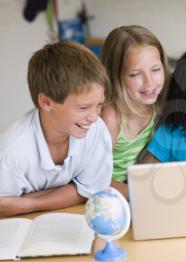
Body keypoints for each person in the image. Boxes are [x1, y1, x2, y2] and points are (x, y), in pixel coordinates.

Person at [0, 42, 112, 217]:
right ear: (46, 102)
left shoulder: (95, 130)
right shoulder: (12, 151)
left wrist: (26, 202)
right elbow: (3, 205)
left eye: (99, 105)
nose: (94, 116)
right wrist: (69, 190)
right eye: (83, 108)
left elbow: (90, 191)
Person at [100, 25, 170, 199]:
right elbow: (92, 178)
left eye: (155, 70)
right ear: (115, 75)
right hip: (111, 195)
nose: (149, 82)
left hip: (140, 190)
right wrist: (140, 194)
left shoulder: (160, 105)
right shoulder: (111, 117)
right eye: (135, 74)